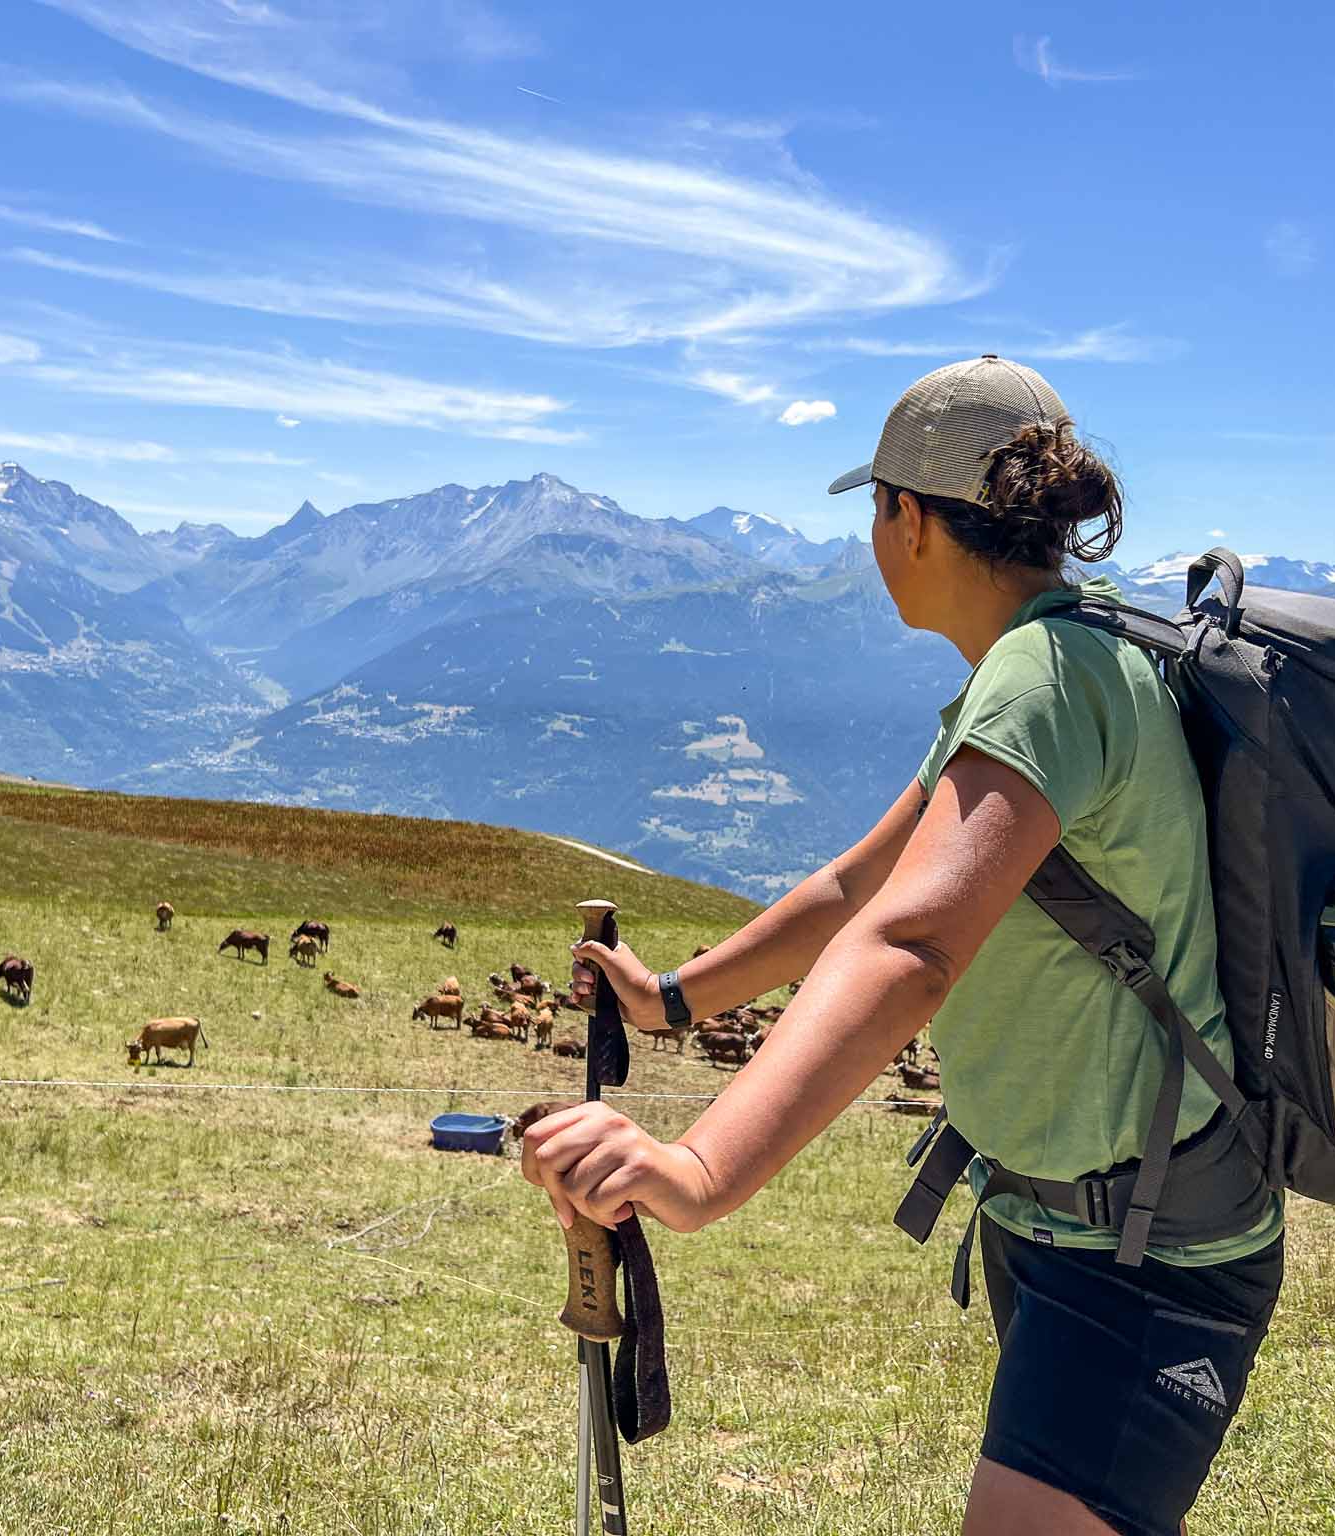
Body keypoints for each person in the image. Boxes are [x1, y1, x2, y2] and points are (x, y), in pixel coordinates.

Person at [522, 355, 1284, 1536]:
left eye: (873, 512)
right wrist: (669, 999)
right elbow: (853, 886)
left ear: (906, 516)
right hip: (1067, 1222)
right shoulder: (1054, 661)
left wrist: (700, 1171)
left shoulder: (1041, 679)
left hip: (1138, 1258)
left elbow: (912, 941)